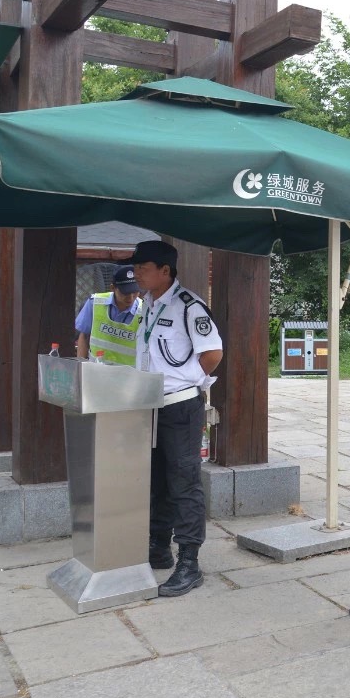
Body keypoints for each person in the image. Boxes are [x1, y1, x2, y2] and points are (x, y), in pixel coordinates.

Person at [129, 240, 222, 598]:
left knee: (184, 482)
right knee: (156, 479)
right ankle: (158, 546)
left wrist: (189, 381)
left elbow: (213, 353)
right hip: (150, 406)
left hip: (180, 406)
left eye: (143, 268)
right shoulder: (148, 304)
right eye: (136, 267)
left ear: (165, 271)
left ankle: (189, 562)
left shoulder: (189, 306)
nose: (137, 273)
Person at [73, 264, 143, 364]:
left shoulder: (145, 311)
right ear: (112, 288)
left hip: (128, 372)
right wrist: (81, 365)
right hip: (96, 369)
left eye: (135, 292)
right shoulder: (94, 302)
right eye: (125, 293)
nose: (131, 297)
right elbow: (84, 336)